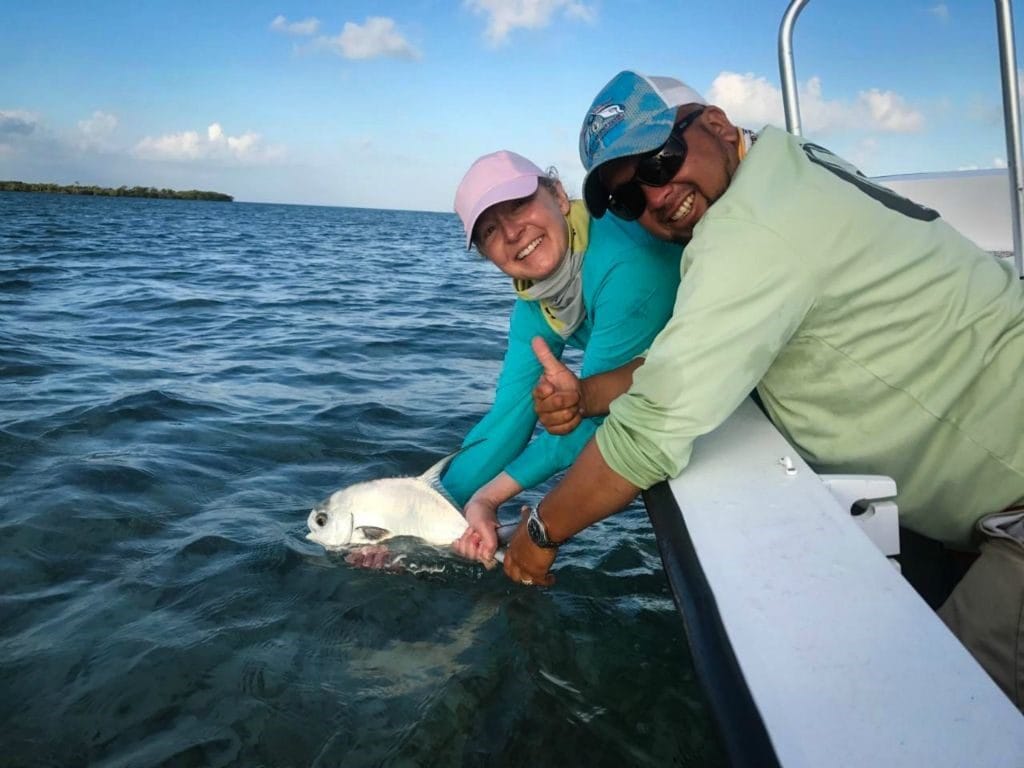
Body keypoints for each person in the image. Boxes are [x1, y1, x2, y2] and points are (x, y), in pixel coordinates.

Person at [501, 70, 1024, 707]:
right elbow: (690, 356)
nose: (658, 197)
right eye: (630, 199)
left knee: (942, 721)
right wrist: (587, 395)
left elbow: (648, 436)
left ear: (717, 125)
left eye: (661, 161)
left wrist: (536, 539)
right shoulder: (783, 163)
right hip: (995, 482)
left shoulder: (747, 234)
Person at [440, 149, 683, 562]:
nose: (512, 233)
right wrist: (416, 509)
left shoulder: (623, 261)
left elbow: (603, 417)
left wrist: (488, 497)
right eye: (490, 232)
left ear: (557, 194)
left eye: (518, 205)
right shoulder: (535, 303)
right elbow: (504, 422)